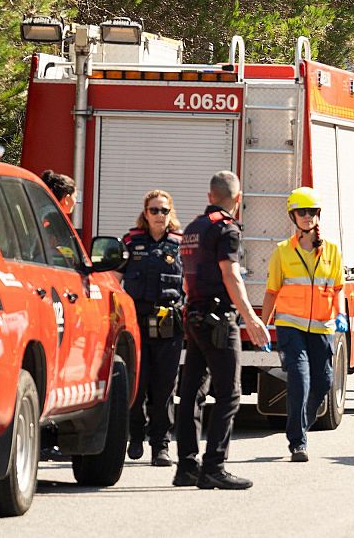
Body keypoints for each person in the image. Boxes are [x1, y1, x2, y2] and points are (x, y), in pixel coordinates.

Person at [175, 171, 268, 490]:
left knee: (192, 393)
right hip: (218, 320)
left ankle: (186, 466)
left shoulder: (192, 228)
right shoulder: (225, 228)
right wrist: (251, 318)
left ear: (209, 195)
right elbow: (231, 275)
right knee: (229, 393)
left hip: (194, 316)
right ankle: (214, 466)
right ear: (238, 199)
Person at [259, 187, 345, 463]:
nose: (307, 217)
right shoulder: (283, 252)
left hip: (322, 327)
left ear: (318, 215)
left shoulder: (331, 251)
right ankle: (298, 442)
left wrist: (341, 314)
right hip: (290, 327)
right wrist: (263, 326)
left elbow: (338, 288)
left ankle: (300, 425)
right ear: (293, 216)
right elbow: (272, 292)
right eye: (301, 212)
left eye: (311, 212)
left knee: (324, 382)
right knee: (300, 378)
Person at [121, 190, 184, 467]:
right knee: (138, 384)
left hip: (169, 325)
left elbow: (191, 284)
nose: (160, 215)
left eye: (164, 211)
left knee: (164, 388)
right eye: (154, 210)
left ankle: (161, 446)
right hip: (137, 324)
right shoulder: (131, 242)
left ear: (171, 214)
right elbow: (113, 277)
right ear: (145, 213)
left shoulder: (180, 245)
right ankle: (135, 437)